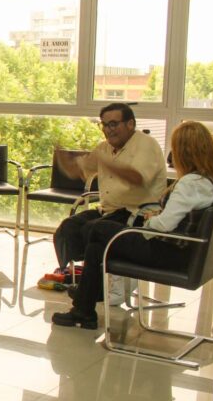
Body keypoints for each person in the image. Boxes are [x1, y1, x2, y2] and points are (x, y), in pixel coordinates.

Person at [52, 121, 213, 328]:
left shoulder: (191, 184)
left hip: (167, 252)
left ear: (184, 152)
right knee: (96, 246)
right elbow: (179, 216)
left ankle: (87, 297)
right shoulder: (211, 181)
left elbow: (162, 226)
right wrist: (160, 213)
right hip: (181, 251)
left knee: (98, 229)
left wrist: (150, 218)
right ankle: (85, 307)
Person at [53, 103, 167, 274]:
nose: (108, 130)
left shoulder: (146, 145)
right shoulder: (104, 148)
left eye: (113, 124)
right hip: (108, 211)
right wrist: (65, 161)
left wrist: (107, 162)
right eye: (104, 125)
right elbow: (78, 170)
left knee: (91, 230)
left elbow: (137, 178)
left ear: (130, 124)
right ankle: (76, 273)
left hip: (137, 214)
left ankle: (102, 275)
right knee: (68, 228)